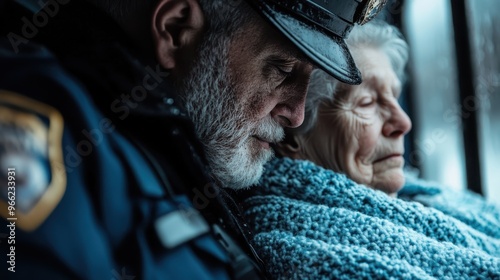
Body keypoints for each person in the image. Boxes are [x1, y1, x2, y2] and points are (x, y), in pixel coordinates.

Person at [0, 0, 388, 279]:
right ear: (175, 29)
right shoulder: (37, 131)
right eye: (282, 69)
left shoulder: (181, 149)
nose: (297, 114)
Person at [241, 20, 500, 279]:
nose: (403, 122)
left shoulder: (429, 197)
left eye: (394, 98)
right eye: (366, 103)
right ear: (292, 139)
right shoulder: (316, 260)